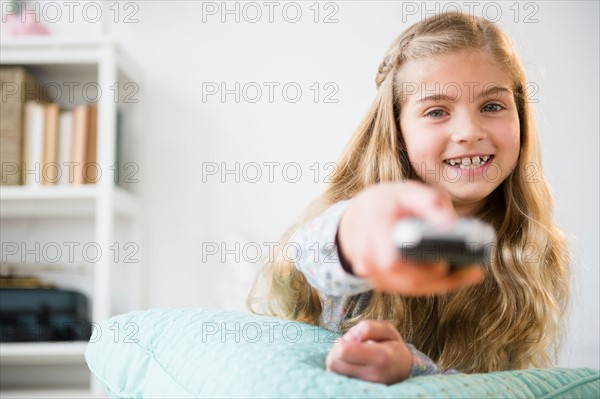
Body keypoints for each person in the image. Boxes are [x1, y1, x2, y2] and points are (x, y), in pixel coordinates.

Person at [247, 11, 570, 385]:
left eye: (492, 106)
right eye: (436, 111)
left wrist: (413, 368)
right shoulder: (365, 226)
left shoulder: (533, 249)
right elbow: (309, 255)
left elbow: (488, 388)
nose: (469, 131)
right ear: (398, 132)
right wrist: (353, 234)